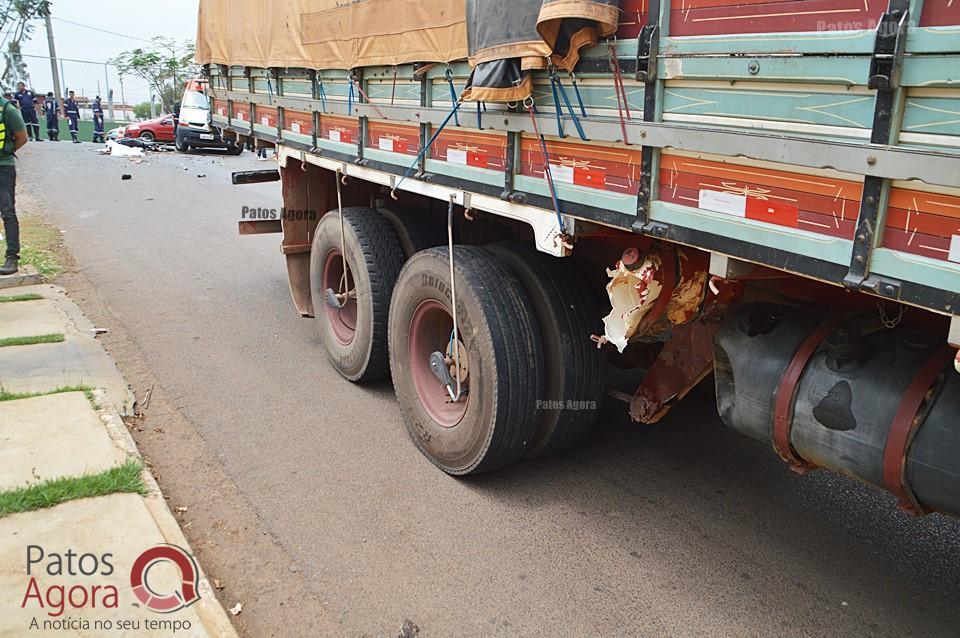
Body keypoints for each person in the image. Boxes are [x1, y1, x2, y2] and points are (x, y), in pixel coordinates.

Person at [0, 91, 29, 276]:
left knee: (7, 211)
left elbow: (22, 137)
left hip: (3, 167)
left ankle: (12, 257)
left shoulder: (7, 110)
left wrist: (6, 152)